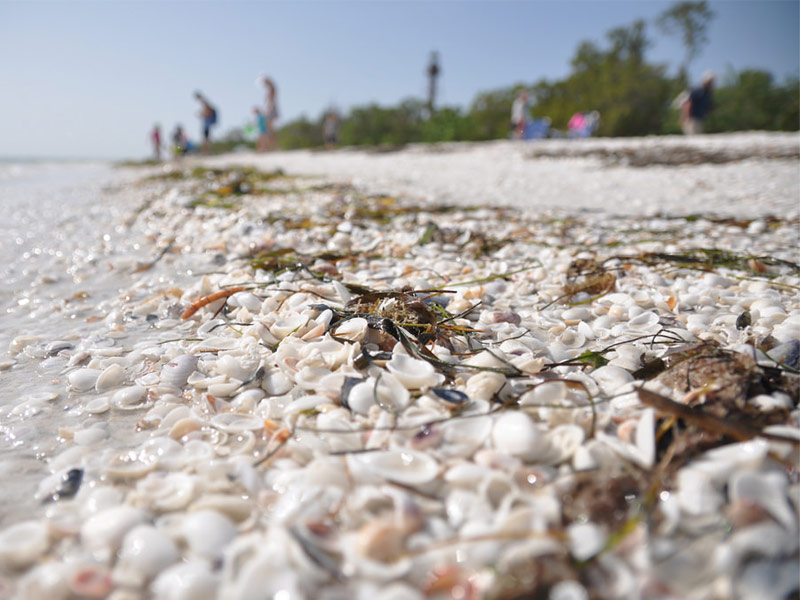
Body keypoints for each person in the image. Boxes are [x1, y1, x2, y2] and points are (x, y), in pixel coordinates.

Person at [262, 77, 279, 150]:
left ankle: (272, 147)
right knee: (269, 129)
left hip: (271, 110)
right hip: (269, 109)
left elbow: (271, 101)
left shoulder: (271, 89)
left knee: (269, 130)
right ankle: (271, 146)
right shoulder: (270, 89)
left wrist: (268, 110)